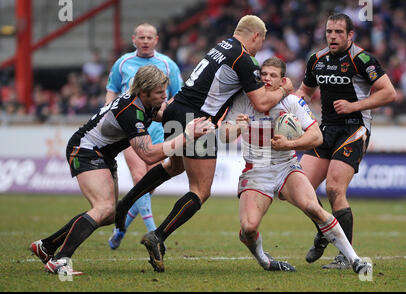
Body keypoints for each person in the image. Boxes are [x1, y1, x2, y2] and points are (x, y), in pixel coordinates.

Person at [114, 15, 294, 272]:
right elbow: (262, 103)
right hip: (198, 121)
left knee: (173, 166)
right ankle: (159, 235)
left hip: (177, 110)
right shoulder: (243, 58)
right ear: (256, 36)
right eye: (261, 41)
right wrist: (284, 90)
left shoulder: (222, 46)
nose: (259, 48)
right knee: (201, 190)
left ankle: (126, 202)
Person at [29, 65, 212, 275]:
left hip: (103, 154)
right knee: (104, 208)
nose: (165, 96)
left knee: (108, 214)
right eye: (160, 92)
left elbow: (168, 112)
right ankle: (60, 260)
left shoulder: (147, 102)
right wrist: (188, 135)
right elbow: (149, 155)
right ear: (144, 92)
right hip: (85, 151)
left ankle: (46, 246)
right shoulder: (130, 111)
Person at [220, 57, 371, 274]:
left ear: (282, 80)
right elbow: (225, 136)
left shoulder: (292, 102)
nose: (267, 79)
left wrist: (290, 144)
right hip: (256, 169)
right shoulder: (244, 99)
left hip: (286, 166)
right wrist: (236, 128)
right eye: (264, 74)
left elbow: (316, 136)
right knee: (249, 228)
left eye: (273, 75)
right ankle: (266, 262)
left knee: (314, 208)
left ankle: (356, 260)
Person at [294, 13, 396, 269]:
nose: (333, 37)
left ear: (350, 35)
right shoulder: (316, 60)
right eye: (329, 32)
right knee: (299, 186)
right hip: (325, 129)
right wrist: (292, 112)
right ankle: (324, 229)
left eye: (339, 32)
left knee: (334, 189)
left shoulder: (362, 59)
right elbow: (304, 92)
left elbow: (389, 92)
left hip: (355, 129)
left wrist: (355, 106)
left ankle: (343, 256)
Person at [105, 23, 183, 250]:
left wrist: (167, 115)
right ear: (134, 39)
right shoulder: (123, 63)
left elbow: (178, 95)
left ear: (157, 40)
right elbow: (111, 88)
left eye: (150, 37)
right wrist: (110, 108)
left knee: (148, 186)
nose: (146, 41)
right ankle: (153, 234)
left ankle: (121, 227)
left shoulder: (168, 65)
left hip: (158, 129)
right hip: (130, 128)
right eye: (142, 37)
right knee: (139, 178)